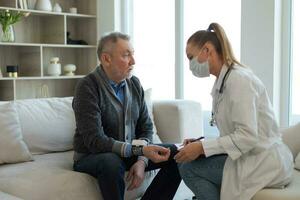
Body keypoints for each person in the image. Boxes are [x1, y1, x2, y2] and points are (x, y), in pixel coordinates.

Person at [174, 22, 294, 200]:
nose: (190, 64)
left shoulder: (239, 80)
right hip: (253, 156)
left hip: (264, 162)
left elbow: (247, 136)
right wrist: (201, 143)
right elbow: (235, 134)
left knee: (188, 168)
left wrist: (202, 148)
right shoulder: (225, 81)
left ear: (207, 50)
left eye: (190, 57)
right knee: (191, 161)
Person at [72, 32, 181, 200]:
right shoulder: (87, 87)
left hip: (128, 153)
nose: (133, 61)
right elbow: (95, 141)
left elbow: (146, 127)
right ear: (106, 59)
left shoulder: (134, 84)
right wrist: (140, 150)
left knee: (177, 153)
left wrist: (141, 160)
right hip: (92, 156)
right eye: (126, 55)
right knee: (111, 162)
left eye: (133, 54)